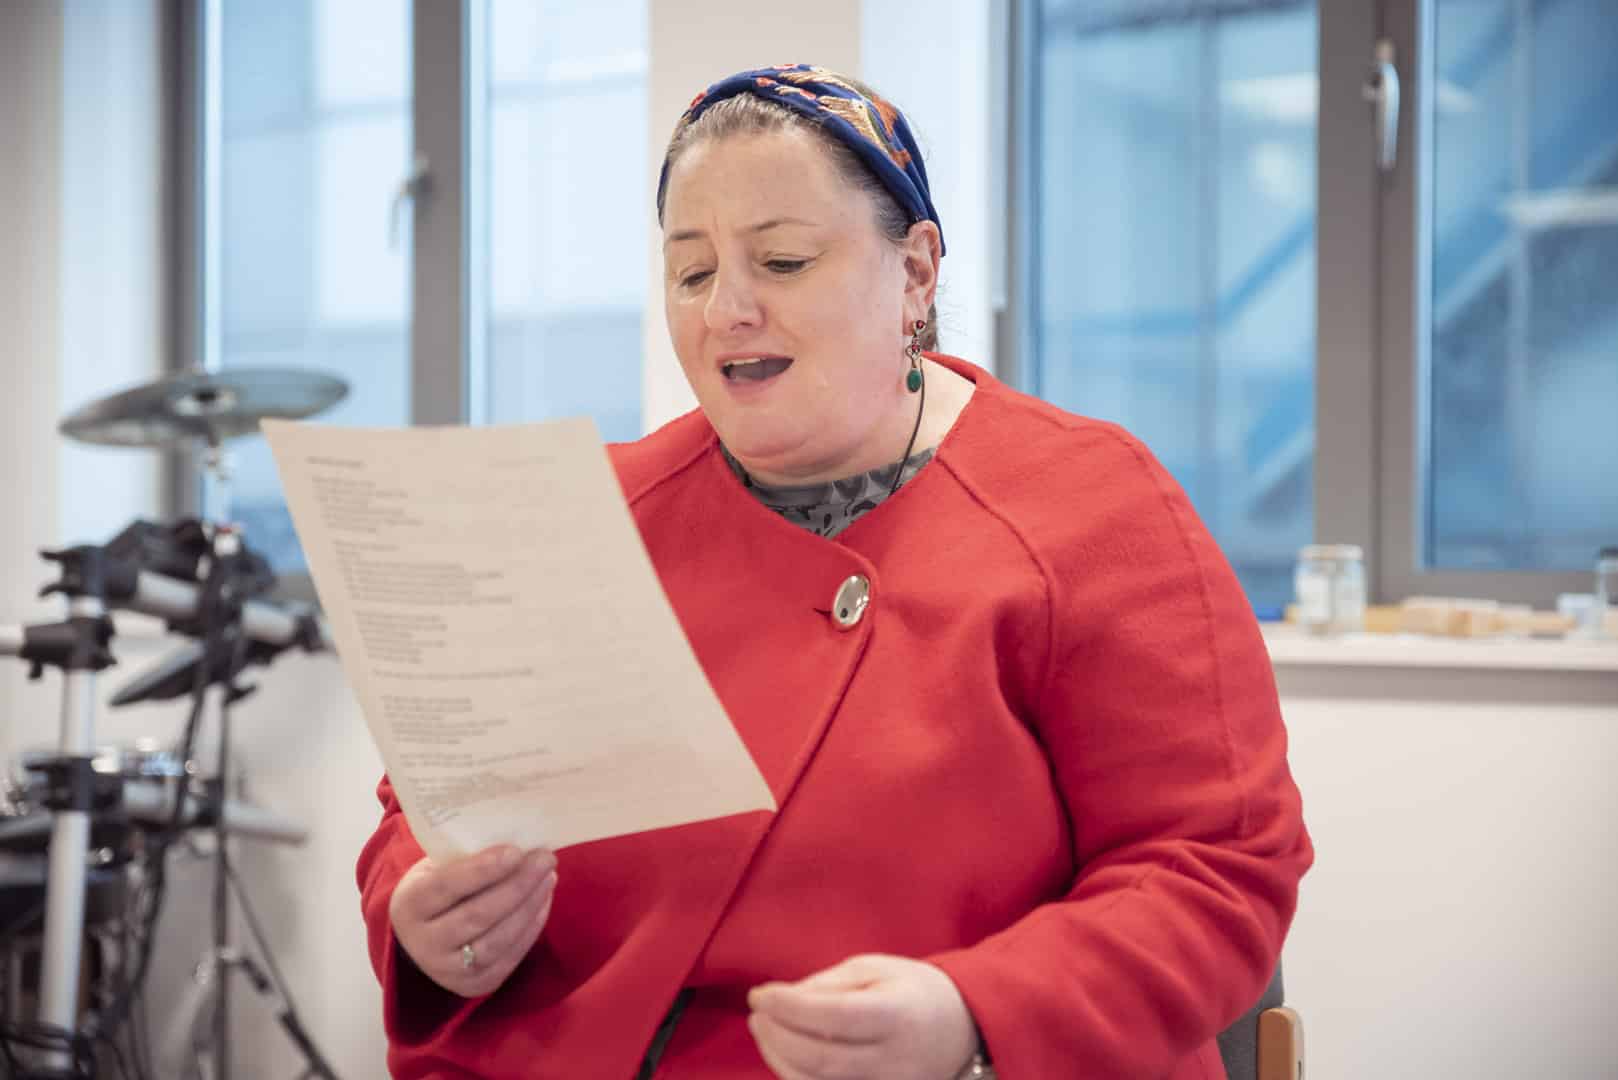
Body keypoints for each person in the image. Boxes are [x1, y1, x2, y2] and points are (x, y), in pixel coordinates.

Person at [357, 63, 1313, 1079]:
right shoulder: (593, 514)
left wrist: (972, 1013)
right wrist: (418, 912)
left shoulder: (1090, 507)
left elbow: (1213, 868)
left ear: (915, 275)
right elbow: (426, 807)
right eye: (690, 272)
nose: (726, 308)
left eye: (781, 259)